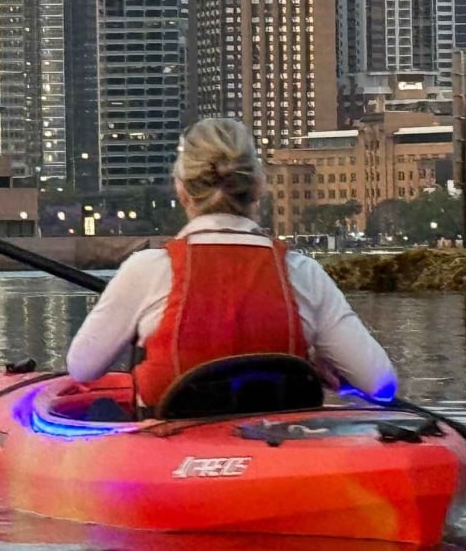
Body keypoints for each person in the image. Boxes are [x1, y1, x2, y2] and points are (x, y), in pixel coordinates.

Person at [66, 118, 397, 412]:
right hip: (279, 451)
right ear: (259, 187)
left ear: (182, 190)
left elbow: (82, 367)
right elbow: (381, 384)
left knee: (101, 411)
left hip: (173, 448)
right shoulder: (303, 272)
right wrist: (316, 364)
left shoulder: (147, 270)